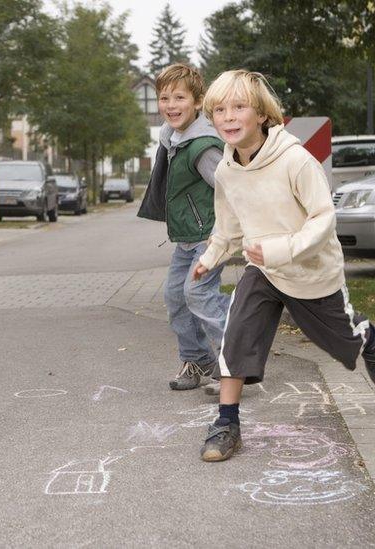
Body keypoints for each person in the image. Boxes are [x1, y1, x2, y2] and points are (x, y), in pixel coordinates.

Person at [193, 70, 375, 462]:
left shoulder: (296, 160)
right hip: (262, 270)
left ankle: (366, 335)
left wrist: (283, 250)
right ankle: (226, 423)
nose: (228, 117)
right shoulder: (226, 170)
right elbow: (229, 224)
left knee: (337, 340)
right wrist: (210, 257)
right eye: (219, 109)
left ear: (263, 115)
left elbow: (323, 218)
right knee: (237, 333)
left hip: (310, 269)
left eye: (239, 107)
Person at [137, 63, 229, 393]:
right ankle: (197, 359)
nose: (171, 105)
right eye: (164, 98)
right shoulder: (172, 138)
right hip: (187, 238)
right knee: (175, 297)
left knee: (198, 294)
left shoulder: (203, 145)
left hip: (211, 236)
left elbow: (229, 187)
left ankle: (233, 363)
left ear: (198, 101)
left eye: (180, 97)